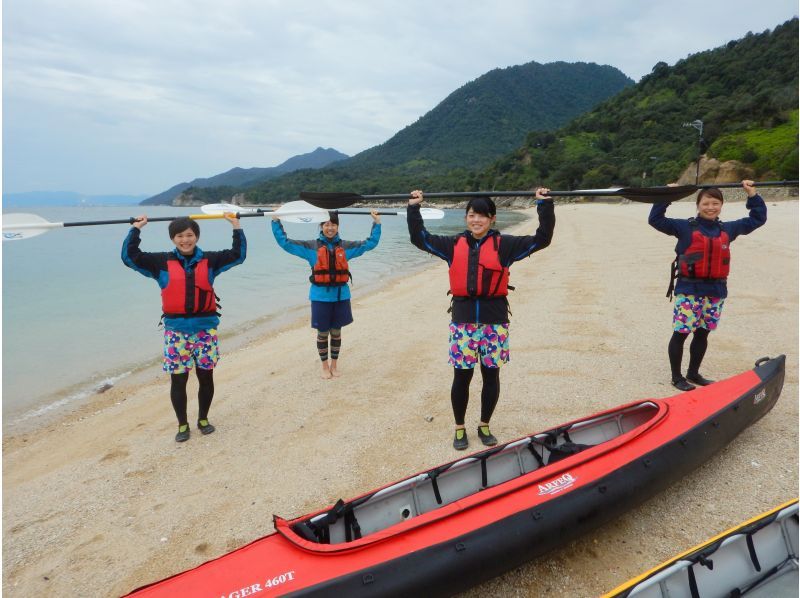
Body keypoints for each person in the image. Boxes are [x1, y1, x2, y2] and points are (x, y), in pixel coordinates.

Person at [407, 189, 554, 450]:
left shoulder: (506, 246)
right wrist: (414, 208)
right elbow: (420, 238)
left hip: (494, 322)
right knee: (461, 377)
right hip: (463, 322)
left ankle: (485, 424)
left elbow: (542, 238)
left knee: (490, 376)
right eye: (472, 215)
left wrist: (544, 204)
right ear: (466, 218)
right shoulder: (452, 246)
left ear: (492, 219)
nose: (477, 221)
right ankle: (460, 427)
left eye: (483, 216)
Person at [122, 214, 246, 442]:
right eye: (180, 236)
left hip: (205, 331)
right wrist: (136, 229)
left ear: (196, 236)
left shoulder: (210, 261)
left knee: (205, 377)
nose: (185, 240)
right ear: (173, 239)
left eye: (189, 235)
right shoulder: (160, 263)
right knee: (178, 380)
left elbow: (238, 255)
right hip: (176, 332)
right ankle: (182, 424)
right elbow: (130, 258)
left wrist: (236, 226)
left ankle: (203, 419)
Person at [649, 179, 766, 391]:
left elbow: (757, 219)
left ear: (721, 206)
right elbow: (656, 219)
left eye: (715, 203)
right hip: (689, 291)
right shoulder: (683, 227)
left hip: (716, 292)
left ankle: (693, 373)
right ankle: (677, 378)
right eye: (706, 203)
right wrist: (666, 196)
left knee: (702, 333)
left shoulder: (728, 229)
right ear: (698, 205)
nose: (710, 207)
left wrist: (752, 196)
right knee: (681, 333)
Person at [272, 210, 381, 379]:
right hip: (320, 297)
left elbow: (370, 244)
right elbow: (285, 243)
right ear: (321, 226)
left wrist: (377, 223)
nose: (330, 228)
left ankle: (334, 365)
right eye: (326, 224)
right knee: (323, 333)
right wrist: (276, 221)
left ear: (338, 226)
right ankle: (324, 366)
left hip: (341, 296)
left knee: (336, 332)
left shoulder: (346, 247)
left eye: (333, 224)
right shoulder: (311, 247)